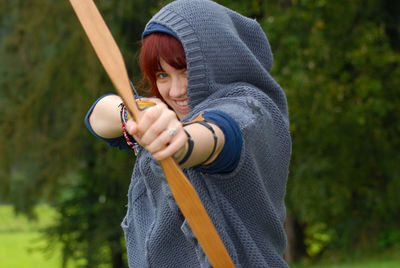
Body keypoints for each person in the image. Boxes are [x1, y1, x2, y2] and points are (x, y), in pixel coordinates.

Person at [85, 0, 291, 267]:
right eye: (162, 75)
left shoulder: (253, 110)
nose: (176, 90)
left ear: (219, 60)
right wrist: (136, 115)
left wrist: (180, 141)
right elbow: (98, 116)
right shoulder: (163, 118)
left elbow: (220, 133)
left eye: (186, 70)